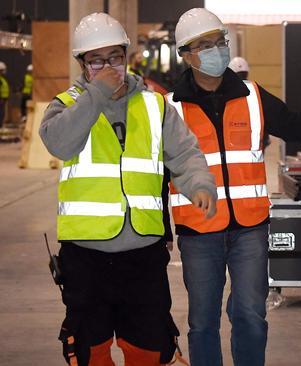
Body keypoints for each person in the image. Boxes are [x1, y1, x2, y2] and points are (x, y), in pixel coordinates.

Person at [167, 8, 301, 366]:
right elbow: (161, 172)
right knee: (202, 322)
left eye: (218, 42)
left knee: (251, 315)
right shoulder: (171, 107)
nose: (215, 50)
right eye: (204, 45)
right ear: (186, 54)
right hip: (198, 229)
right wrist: (159, 233)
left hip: (249, 229)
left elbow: (296, 127)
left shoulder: (252, 95)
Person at [39, 12, 217, 366]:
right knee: (90, 351)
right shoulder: (67, 105)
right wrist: (96, 95)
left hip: (143, 255)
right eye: (96, 61)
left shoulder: (154, 105)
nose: (108, 67)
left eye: (115, 58)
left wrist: (199, 183)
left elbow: (184, 154)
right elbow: (58, 144)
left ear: (127, 56)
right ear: (82, 64)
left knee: (150, 350)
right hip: (85, 255)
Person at [0, 62, 9, 128]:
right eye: (2, 70)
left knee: (2, 113)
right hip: (1, 99)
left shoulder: (2, 78)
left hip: (3, 99)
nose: (4, 72)